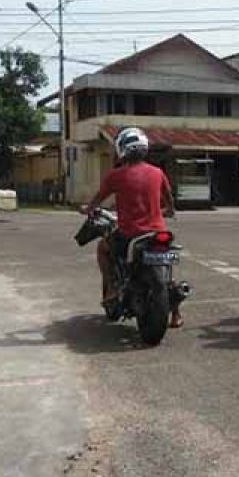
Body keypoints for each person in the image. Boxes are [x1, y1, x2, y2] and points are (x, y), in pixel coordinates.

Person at [83, 127, 182, 328]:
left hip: (130, 233)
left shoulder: (115, 175)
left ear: (122, 149)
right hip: (157, 232)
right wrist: (169, 210)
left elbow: (98, 199)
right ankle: (176, 314)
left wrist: (88, 208)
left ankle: (111, 288)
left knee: (103, 247)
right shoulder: (158, 172)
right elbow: (169, 198)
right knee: (166, 267)